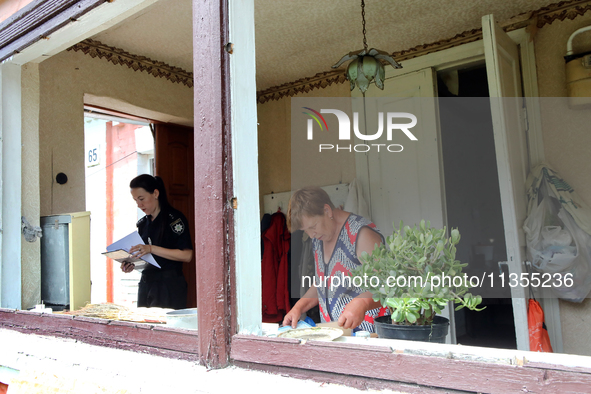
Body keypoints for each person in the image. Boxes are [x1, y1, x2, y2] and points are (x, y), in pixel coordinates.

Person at [282, 186, 388, 333]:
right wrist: (298, 307)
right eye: (306, 230)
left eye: (313, 226)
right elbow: (323, 283)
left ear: (327, 210)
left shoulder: (361, 233)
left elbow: (388, 285)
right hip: (337, 336)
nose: (311, 234)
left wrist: (362, 303)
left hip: (370, 336)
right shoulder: (318, 237)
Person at [120, 174, 193, 309]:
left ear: (155, 193)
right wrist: (131, 263)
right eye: (135, 200)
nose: (139, 204)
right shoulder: (143, 223)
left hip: (169, 284)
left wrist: (151, 248)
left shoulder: (174, 219)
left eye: (142, 199)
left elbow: (187, 255)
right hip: (146, 283)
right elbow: (146, 255)